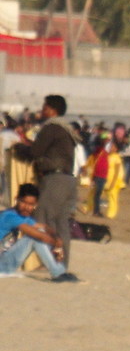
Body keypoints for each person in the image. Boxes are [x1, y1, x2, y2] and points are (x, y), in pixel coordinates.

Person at [9, 95, 79, 272]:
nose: (42, 110)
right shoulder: (66, 129)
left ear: (52, 110)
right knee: (61, 224)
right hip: (69, 181)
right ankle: (61, 264)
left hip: (54, 180)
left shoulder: (51, 127)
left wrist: (18, 147)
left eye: (44, 107)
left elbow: (35, 152)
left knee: (41, 219)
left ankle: (42, 262)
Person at [0, 183, 76, 281]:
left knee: (40, 233)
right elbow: (40, 236)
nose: (27, 207)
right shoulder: (10, 216)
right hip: (2, 265)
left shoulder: (23, 217)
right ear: (17, 200)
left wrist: (56, 238)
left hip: (6, 262)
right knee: (35, 237)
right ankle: (58, 273)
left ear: (36, 205)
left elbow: (45, 227)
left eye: (31, 204)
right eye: (24, 202)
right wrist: (57, 245)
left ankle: (59, 271)